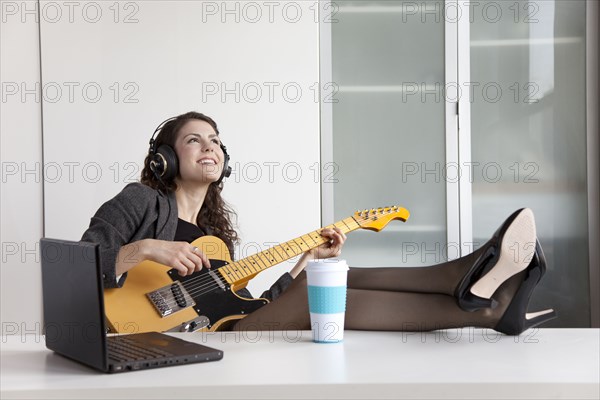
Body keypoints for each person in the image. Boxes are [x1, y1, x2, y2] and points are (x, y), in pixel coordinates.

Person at [82, 111, 556, 335]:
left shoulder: (215, 238)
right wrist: (144, 250)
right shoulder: (140, 201)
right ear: (165, 159)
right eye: (193, 140)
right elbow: (77, 265)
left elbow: (243, 305)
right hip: (158, 336)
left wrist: (303, 261)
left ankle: (491, 308)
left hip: (220, 327)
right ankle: (473, 284)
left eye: (216, 140)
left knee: (322, 276)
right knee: (318, 300)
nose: (210, 146)